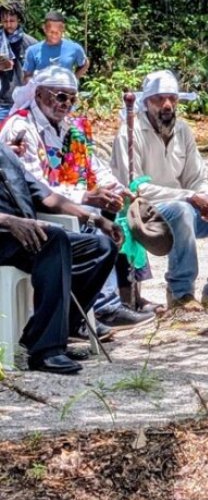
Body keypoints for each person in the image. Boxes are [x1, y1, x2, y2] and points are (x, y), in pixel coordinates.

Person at [0, 67, 153, 331]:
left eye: (72, 99)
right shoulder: (20, 127)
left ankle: (118, 298)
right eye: (60, 97)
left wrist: (115, 189)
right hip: (33, 216)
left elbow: (93, 166)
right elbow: (34, 188)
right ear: (38, 94)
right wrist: (86, 198)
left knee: (115, 209)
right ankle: (103, 308)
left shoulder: (72, 127)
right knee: (84, 213)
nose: (66, 105)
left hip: (65, 201)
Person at [111, 70, 208, 311]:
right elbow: (135, 188)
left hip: (182, 204)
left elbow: (196, 176)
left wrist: (206, 196)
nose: (167, 105)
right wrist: (190, 196)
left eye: (172, 99)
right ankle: (181, 292)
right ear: (146, 102)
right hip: (145, 213)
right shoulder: (129, 132)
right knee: (181, 210)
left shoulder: (182, 129)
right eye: (159, 99)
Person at [0, 143, 121, 374]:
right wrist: (8, 221)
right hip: (5, 235)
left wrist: (94, 219)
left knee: (101, 247)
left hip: (27, 236)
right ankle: (46, 352)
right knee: (53, 238)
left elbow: (47, 198)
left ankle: (48, 332)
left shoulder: (5, 152)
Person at [22, 11, 88, 81]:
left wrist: (73, 79)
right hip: (42, 90)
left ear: (63, 29)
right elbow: (26, 76)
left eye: (57, 32)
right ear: (44, 28)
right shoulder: (33, 51)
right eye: (51, 32)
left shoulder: (74, 48)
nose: (54, 35)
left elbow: (85, 64)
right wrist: (36, 84)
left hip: (65, 91)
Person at [0, 0, 37, 122]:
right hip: (2, 103)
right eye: (5, 21)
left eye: (12, 21)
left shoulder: (31, 44)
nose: (8, 25)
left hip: (25, 103)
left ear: (19, 20)